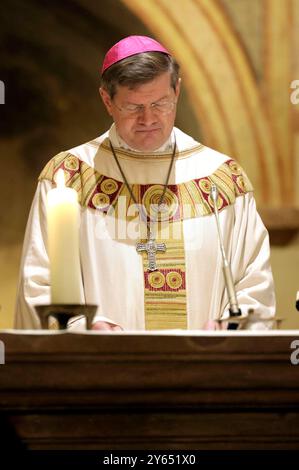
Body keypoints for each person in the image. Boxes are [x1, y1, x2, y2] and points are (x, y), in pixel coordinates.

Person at [15, 35, 275, 331]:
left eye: (160, 103)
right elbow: (38, 282)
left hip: (204, 368)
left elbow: (255, 284)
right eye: (133, 107)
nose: (148, 118)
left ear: (177, 90)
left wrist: (227, 328)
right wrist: (83, 329)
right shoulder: (69, 178)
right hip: (101, 366)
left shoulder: (222, 178)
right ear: (107, 100)